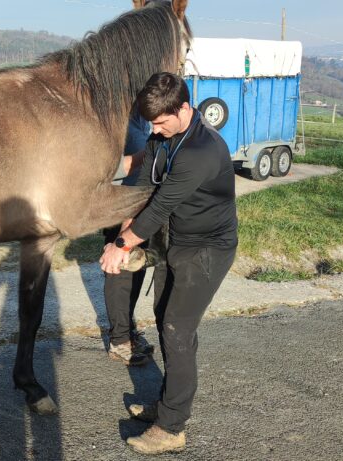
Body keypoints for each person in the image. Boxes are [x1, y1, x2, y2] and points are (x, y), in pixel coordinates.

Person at [100, 71, 237, 455]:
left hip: (207, 250)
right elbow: (144, 190)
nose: (155, 130)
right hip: (176, 244)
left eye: (161, 122)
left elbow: (160, 207)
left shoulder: (201, 150)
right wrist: (121, 239)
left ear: (184, 108)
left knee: (177, 330)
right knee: (165, 322)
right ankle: (167, 404)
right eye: (152, 124)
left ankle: (171, 427)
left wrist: (122, 245)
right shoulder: (162, 138)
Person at [103, 111, 156, 366]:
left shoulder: (142, 118)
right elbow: (103, 170)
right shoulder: (115, 116)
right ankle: (119, 341)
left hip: (143, 204)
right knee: (120, 272)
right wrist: (149, 155)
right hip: (120, 205)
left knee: (136, 268)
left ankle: (128, 329)